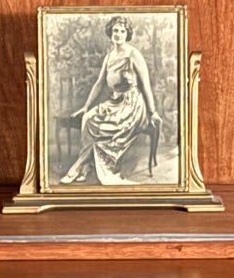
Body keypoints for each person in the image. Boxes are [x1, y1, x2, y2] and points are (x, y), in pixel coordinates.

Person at [60, 15, 161, 185]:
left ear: (127, 34)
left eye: (122, 31)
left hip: (133, 104)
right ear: (110, 33)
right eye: (115, 30)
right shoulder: (109, 56)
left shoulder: (133, 54)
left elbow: (146, 86)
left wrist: (153, 112)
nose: (118, 34)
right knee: (88, 119)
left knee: (109, 127)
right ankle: (86, 167)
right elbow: (99, 84)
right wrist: (86, 107)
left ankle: (78, 167)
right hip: (115, 102)